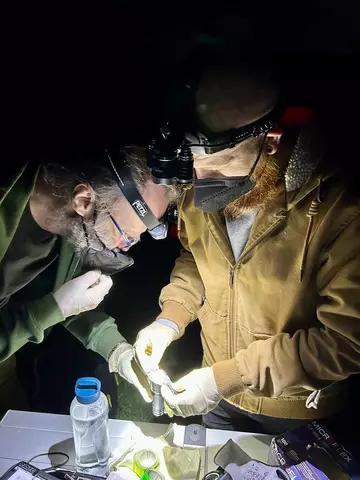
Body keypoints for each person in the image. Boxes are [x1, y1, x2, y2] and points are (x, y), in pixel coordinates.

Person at [134, 57, 360, 434]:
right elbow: (194, 259)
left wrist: (230, 375)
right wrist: (169, 319)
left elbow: (346, 340)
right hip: (218, 397)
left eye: (219, 167)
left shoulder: (340, 209)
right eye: (195, 166)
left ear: (269, 141)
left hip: (297, 409)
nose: (201, 181)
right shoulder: (198, 185)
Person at [0, 148, 179, 412]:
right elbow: (59, 306)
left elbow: (71, 303)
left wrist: (117, 351)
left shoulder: (72, 228)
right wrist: (54, 309)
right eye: (126, 235)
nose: (126, 247)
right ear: (84, 200)